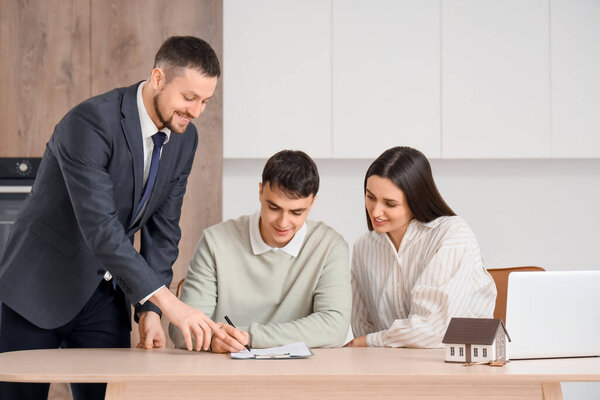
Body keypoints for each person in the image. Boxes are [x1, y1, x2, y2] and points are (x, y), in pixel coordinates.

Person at [0, 36, 226, 400]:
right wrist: (171, 303)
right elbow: (101, 228)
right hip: (37, 288)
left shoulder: (186, 138)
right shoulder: (89, 122)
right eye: (189, 98)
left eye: (205, 101)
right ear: (157, 79)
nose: (197, 111)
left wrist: (150, 310)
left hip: (103, 293)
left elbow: (163, 230)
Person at [169, 150, 351, 352]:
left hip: (300, 376)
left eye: (296, 212)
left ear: (312, 202)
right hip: (225, 373)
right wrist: (213, 341)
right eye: (273, 207)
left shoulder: (330, 247)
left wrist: (248, 337)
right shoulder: (215, 241)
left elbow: (334, 327)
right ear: (260, 192)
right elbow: (180, 330)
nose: (283, 222)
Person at [346, 146, 496, 348]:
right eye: (370, 197)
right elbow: (362, 325)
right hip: (390, 366)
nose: (376, 212)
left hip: (456, 365)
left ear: (416, 201)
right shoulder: (364, 247)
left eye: (390, 204)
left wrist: (371, 341)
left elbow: (432, 330)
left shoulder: (452, 235)